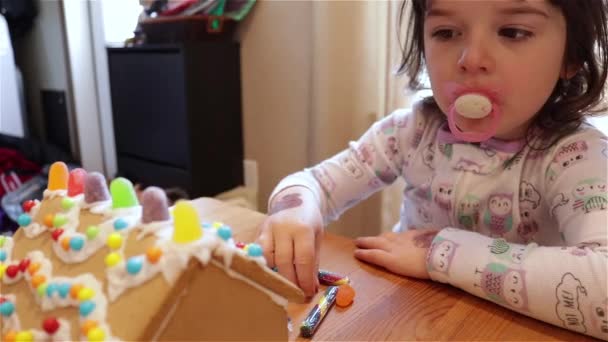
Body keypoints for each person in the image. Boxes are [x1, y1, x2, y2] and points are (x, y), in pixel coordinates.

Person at [256, 0, 608, 339]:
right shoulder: (413, 131)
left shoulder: (575, 156)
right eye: (446, 32)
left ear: (572, 56)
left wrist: (438, 254)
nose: (471, 60)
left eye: (513, 32)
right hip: (407, 319)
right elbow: (314, 182)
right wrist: (296, 208)